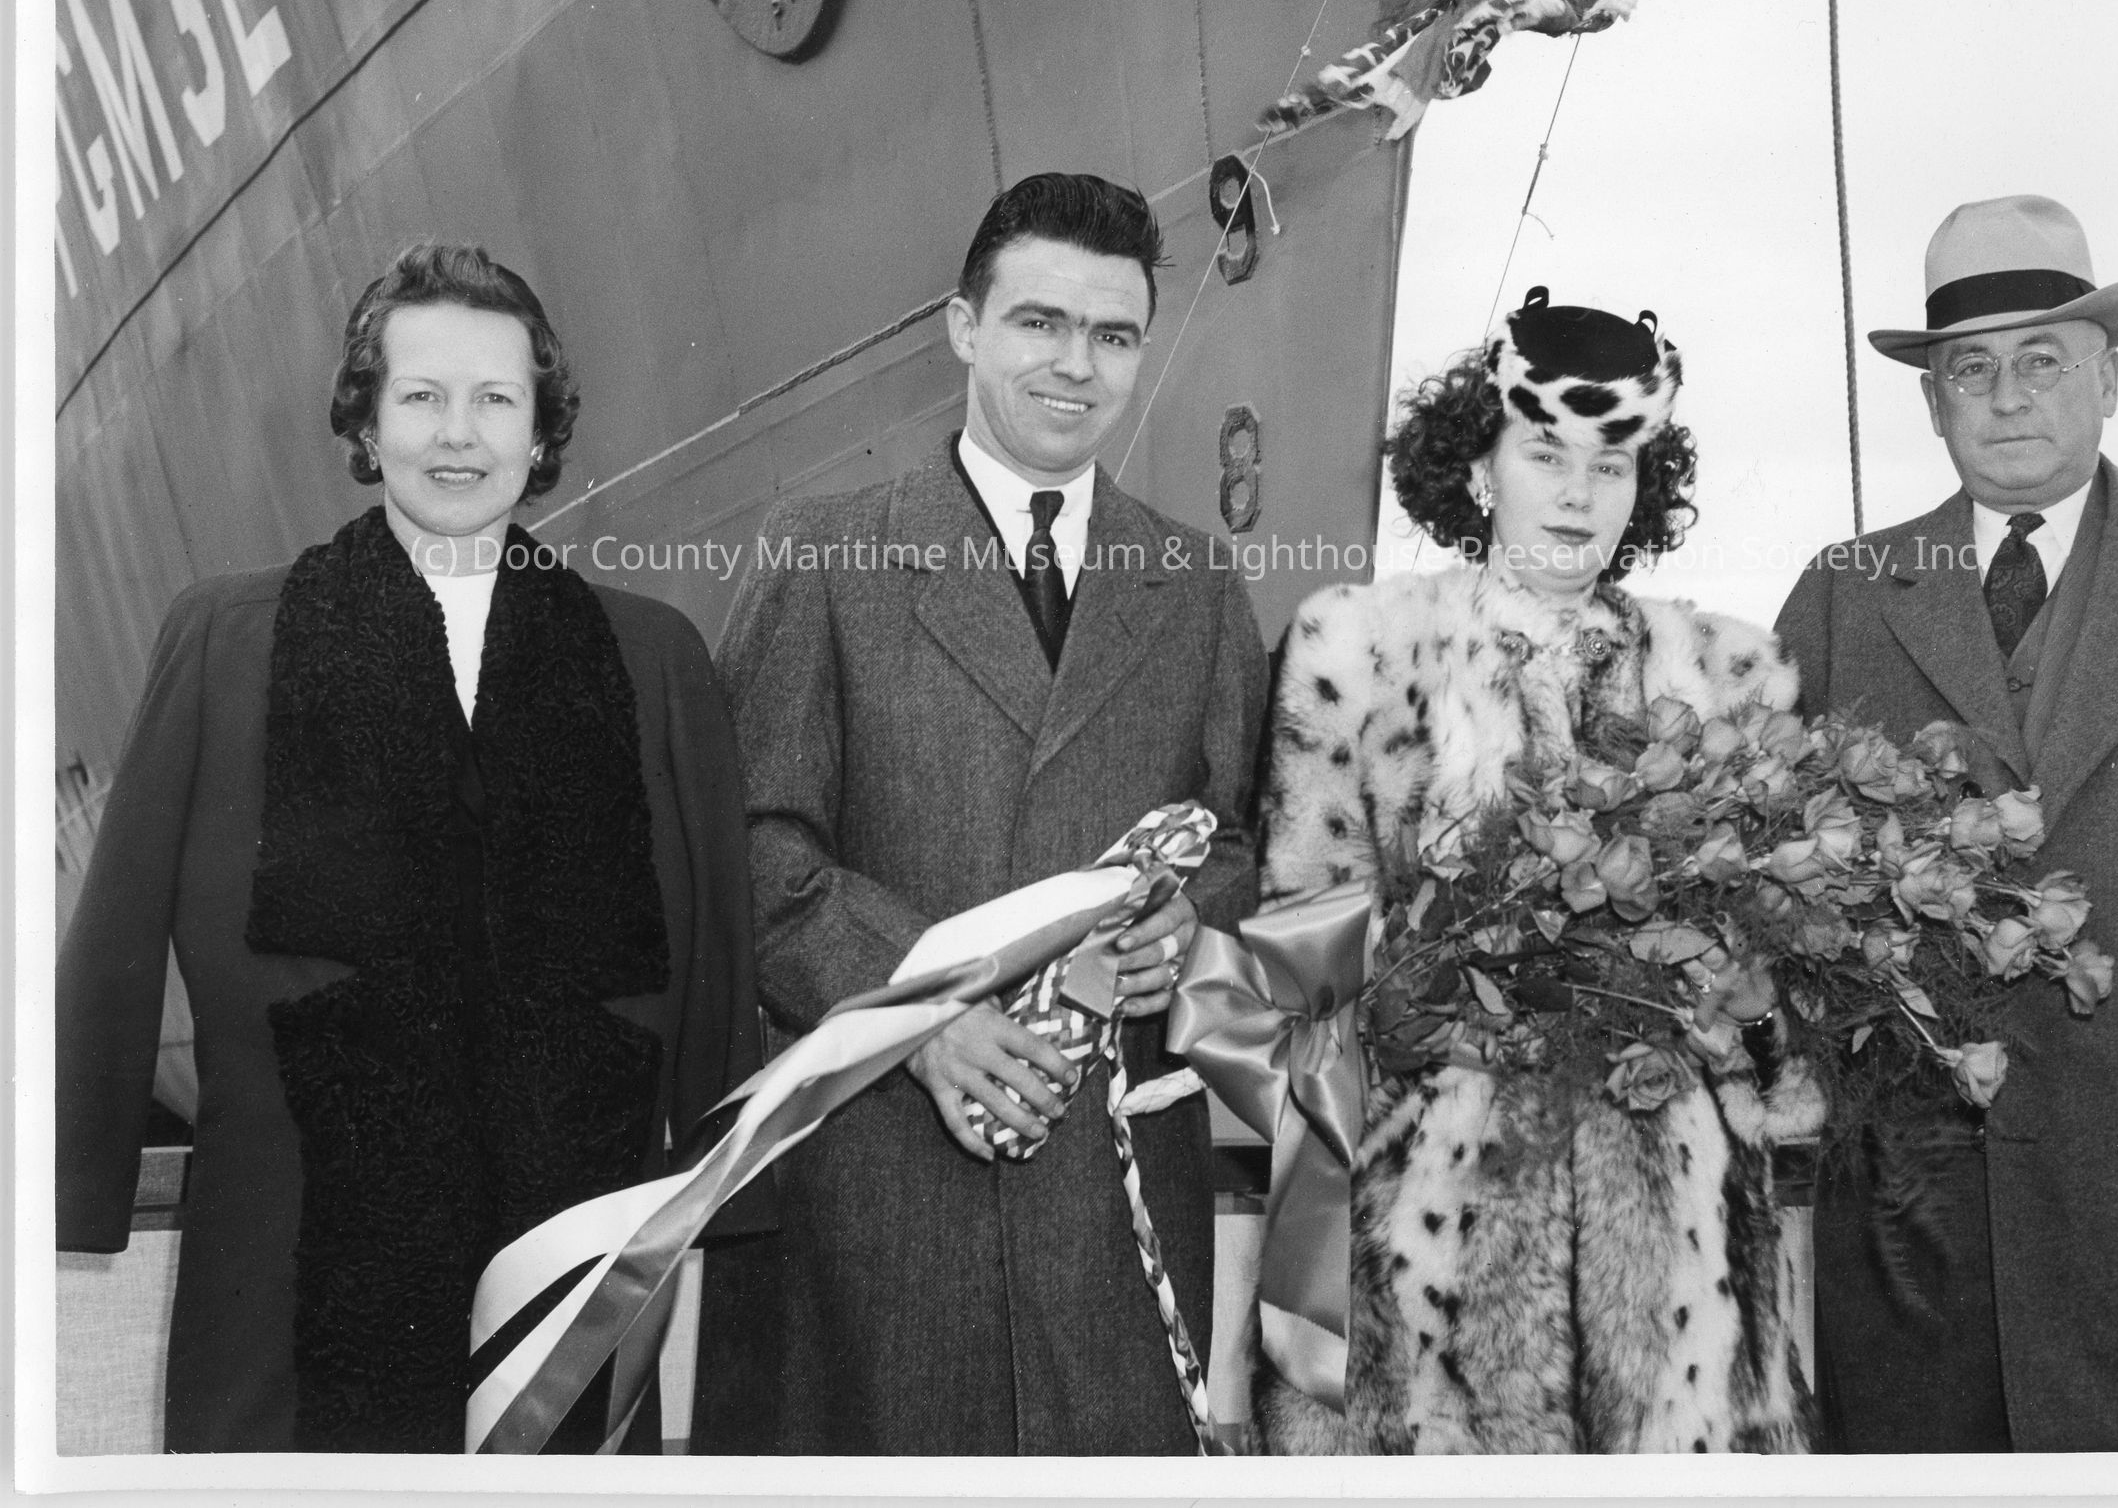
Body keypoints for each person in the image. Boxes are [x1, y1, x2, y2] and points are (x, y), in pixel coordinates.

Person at [54, 243, 764, 1454]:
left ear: (541, 431)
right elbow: (115, 934)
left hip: (560, 1265)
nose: (458, 434)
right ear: (366, 422)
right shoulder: (227, 641)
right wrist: (77, 1180)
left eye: (496, 399)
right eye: (422, 396)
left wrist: (727, 1189)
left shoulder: (650, 660)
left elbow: (716, 951)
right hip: (289, 1275)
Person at [689, 172, 1268, 1457]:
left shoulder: (1195, 585)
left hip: (1110, 1211)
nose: (1077, 366)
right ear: (963, 328)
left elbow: (1230, 841)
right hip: (884, 1187)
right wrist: (922, 1019)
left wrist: (1185, 931)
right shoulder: (826, 553)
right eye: (1038, 323)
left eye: (1113, 335)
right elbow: (752, 848)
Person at [1775, 195, 2118, 1453]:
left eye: (2044, 360)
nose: (2007, 397)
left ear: (2110, 379)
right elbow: (1773, 877)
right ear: (1933, 404)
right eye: (1970, 370)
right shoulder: (1842, 592)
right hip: (1916, 1238)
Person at [1252, 287, 1819, 1455]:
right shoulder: (1360, 651)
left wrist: (1745, 1004)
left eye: (1611, 466)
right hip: (1429, 1246)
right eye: (1545, 455)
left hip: (1680, 1262)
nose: (1576, 493)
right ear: (1478, 469)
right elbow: (1302, 989)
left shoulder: (1729, 677)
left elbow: (1780, 1017)